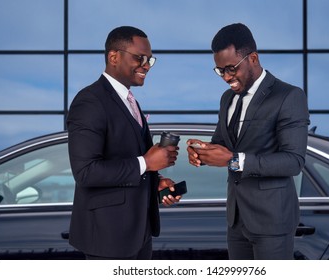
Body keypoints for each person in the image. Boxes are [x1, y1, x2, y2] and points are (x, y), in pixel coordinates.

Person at [187, 23, 310, 260]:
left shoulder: (288, 96)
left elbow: (293, 161)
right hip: (236, 218)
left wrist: (234, 160)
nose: (226, 77)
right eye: (220, 70)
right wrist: (202, 152)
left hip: (272, 221)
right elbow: (222, 143)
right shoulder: (227, 99)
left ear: (253, 58)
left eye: (231, 68)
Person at [67, 26, 180, 260]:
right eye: (140, 58)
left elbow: (125, 158)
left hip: (139, 234)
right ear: (114, 57)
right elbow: (86, 172)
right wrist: (146, 164)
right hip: (109, 239)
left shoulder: (131, 102)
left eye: (150, 59)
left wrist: (155, 182)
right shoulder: (90, 101)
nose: (147, 65)